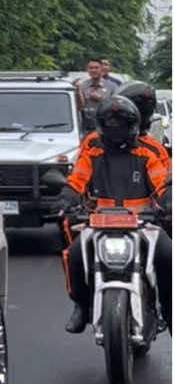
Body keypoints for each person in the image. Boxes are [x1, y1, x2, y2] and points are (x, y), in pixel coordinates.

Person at [59, 95, 171, 334]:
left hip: (143, 222)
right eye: (110, 125)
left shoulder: (149, 149)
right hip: (98, 220)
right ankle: (81, 306)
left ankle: (169, 312)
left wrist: (167, 199)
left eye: (121, 125)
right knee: (75, 254)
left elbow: (162, 181)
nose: (116, 130)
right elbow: (78, 177)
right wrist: (68, 194)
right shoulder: (92, 147)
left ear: (134, 125)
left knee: (167, 256)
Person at [76, 58, 118, 131]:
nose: (93, 70)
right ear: (88, 70)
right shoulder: (83, 86)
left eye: (96, 68)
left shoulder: (112, 86)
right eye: (91, 68)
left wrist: (102, 99)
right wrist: (78, 91)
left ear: (102, 69)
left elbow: (117, 107)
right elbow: (80, 107)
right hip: (87, 128)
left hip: (106, 127)